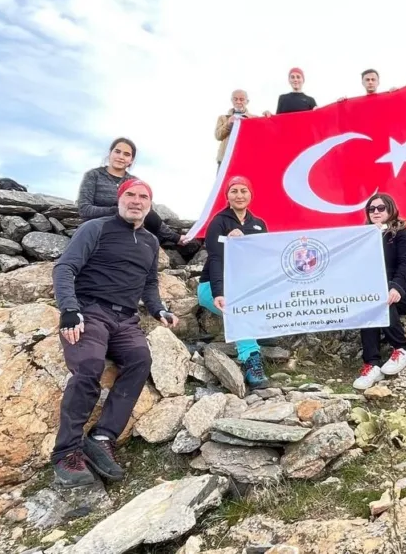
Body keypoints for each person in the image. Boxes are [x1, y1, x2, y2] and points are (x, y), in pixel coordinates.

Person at [51, 178, 178, 488]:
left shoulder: (150, 241)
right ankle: (66, 453)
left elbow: (149, 284)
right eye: (130, 195)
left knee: (140, 360)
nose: (136, 201)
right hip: (90, 311)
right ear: (120, 199)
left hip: (126, 319)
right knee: (89, 366)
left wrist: (159, 309)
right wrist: (69, 310)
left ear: (150, 204)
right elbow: (64, 268)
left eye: (143, 197)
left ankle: (102, 436)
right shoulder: (96, 228)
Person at [197, 176, 269, 389]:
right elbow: (216, 258)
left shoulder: (259, 224)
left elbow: (264, 258)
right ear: (227, 195)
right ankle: (251, 360)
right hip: (212, 287)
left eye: (243, 191)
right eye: (234, 191)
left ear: (250, 194)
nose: (239, 195)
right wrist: (219, 292)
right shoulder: (219, 222)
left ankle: (254, 340)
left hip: (244, 287)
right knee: (241, 310)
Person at [352, 193, 406, 390]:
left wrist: (396, 287)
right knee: (370, 304)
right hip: (379, 288)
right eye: (371, 209)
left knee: (381, 298)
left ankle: (402, 348)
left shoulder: (401, 234)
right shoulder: (364, 235)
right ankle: (372, 365)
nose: (375, 212)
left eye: (380, 208)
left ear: (390, 209)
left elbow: (404, 264)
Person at [76, 137, 184, 245]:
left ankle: (176, 239)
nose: (121, 157)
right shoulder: (93, 176)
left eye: (127, 154)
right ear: (110, 153)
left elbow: (147, 212)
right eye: (117, 152)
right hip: (98, 226)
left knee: (149, 216)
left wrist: (176, 237)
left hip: (128, 226)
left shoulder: (134, 181)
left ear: (131, 160)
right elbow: (84, 209)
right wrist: (117, 210)